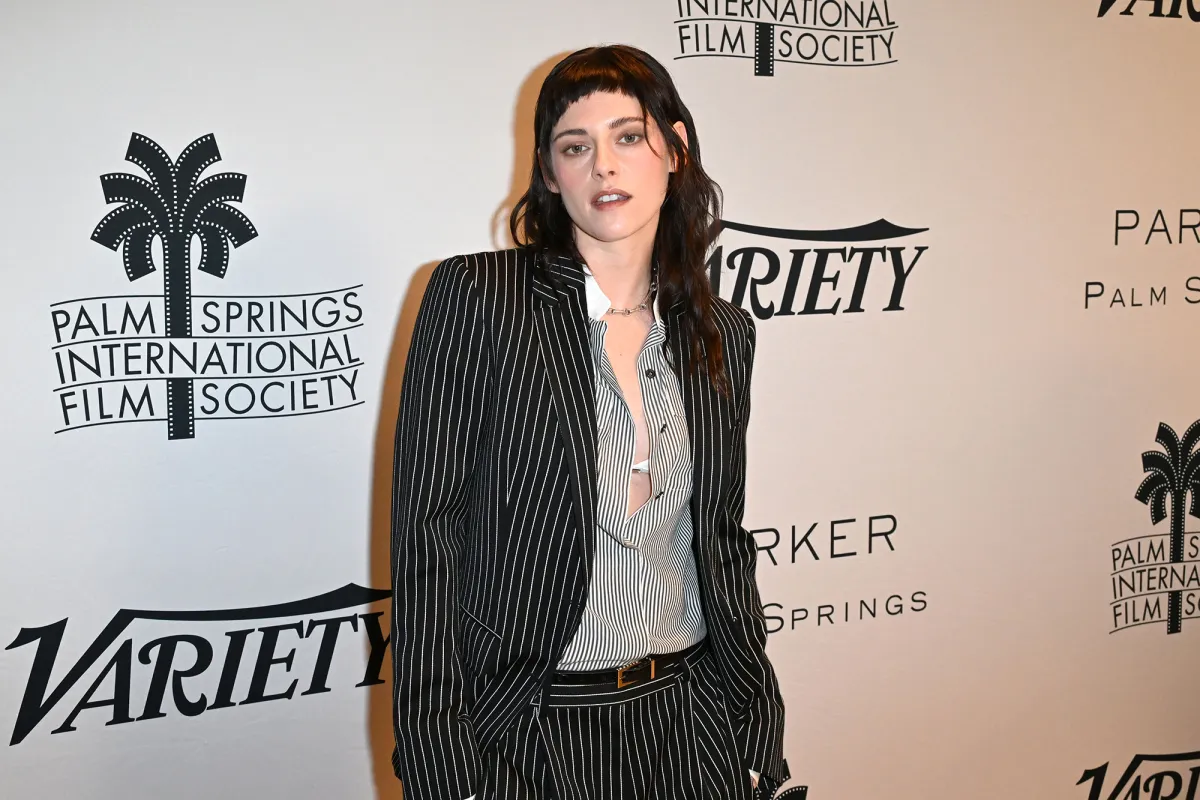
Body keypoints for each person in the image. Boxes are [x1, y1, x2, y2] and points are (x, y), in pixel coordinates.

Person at [390, 44, 788, 800]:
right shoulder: (480, 298)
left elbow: (723, 541)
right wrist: (443, 764)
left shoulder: (722, 332)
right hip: (532, 726)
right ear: (549, 173)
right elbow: (427, 538)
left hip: (694, 714)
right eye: (575, 147)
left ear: (675, 149)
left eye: (628, 137)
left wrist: (755, 721)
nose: (604, 165)